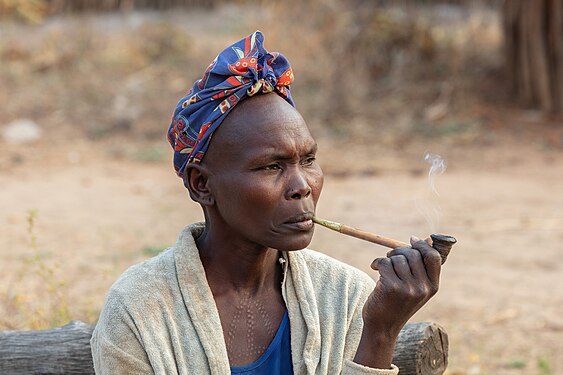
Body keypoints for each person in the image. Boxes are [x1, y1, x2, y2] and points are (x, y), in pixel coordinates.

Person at [90, 31, 442, 375]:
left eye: (308, 160)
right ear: (201, 184)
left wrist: (379, 333)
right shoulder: (140, 308)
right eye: (272, 166)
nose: (302, 186)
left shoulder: (346, 296)